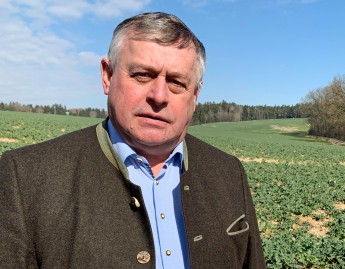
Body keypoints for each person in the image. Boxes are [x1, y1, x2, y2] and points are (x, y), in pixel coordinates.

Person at [0, 12, 266, 269]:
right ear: (107, 75)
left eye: (176, 82)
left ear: (195, 95)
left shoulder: (228, 172)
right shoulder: (25, 177)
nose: (159, 96)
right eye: (142, 75)